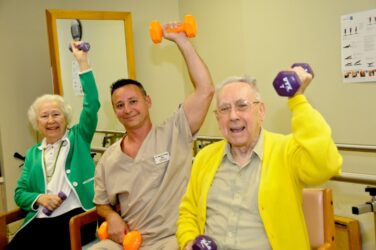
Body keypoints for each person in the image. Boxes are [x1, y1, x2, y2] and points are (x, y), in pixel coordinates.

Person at [177, 67, 343, 250]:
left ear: (261, 111)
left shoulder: (286, 151)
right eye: (224, 109)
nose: (233, 116)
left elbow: (326, 165)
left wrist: (297, 100)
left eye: (242, 106)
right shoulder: (204, 157)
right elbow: (188, 212)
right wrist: (188, 241)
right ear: (217, 119)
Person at [91, 20, 214, 250]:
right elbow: (101, 203)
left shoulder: (175, 131)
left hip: (171, 238)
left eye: (133, 101)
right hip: (130, 241)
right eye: (119, 105)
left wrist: (181, 41)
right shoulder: (109, 159)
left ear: (148, 101)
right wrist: (112, 217)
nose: (127, 109)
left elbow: (205, 89)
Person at [7, 41, 100, 250]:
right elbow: (20, 193)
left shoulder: (79, 137)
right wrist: (40, 198)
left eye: (56, 114)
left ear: (66, 118)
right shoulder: (33, 154)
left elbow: (92, 102)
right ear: (37, 124)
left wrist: (82, 62)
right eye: (44, 116)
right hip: (40, 220)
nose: (51, 121)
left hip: (76, 218)